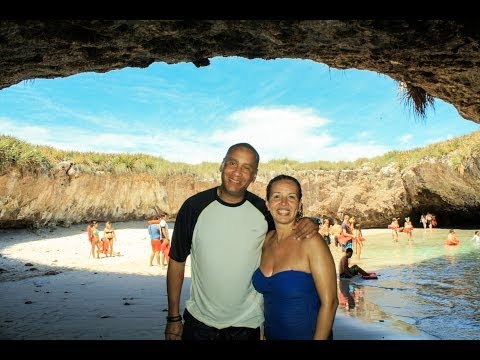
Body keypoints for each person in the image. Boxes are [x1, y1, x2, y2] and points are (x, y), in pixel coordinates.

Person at [165, 143, 319, 341]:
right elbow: (176, 262)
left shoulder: (262, 211)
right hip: (199, 323)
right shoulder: (194, 207)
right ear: (222, 165)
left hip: (247, 325)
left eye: (247, 168)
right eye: (232, 163)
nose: (237, 172)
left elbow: (288, 224)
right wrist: (173, 317)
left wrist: (312, 221)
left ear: (254, 176)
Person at [252, 175, 338, 340]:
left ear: (299, 205)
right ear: (267, 204)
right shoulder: (265, 241)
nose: (284, 203)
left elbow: (331, 303)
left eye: (291, 197)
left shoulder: (311, 241)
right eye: (277, 196)